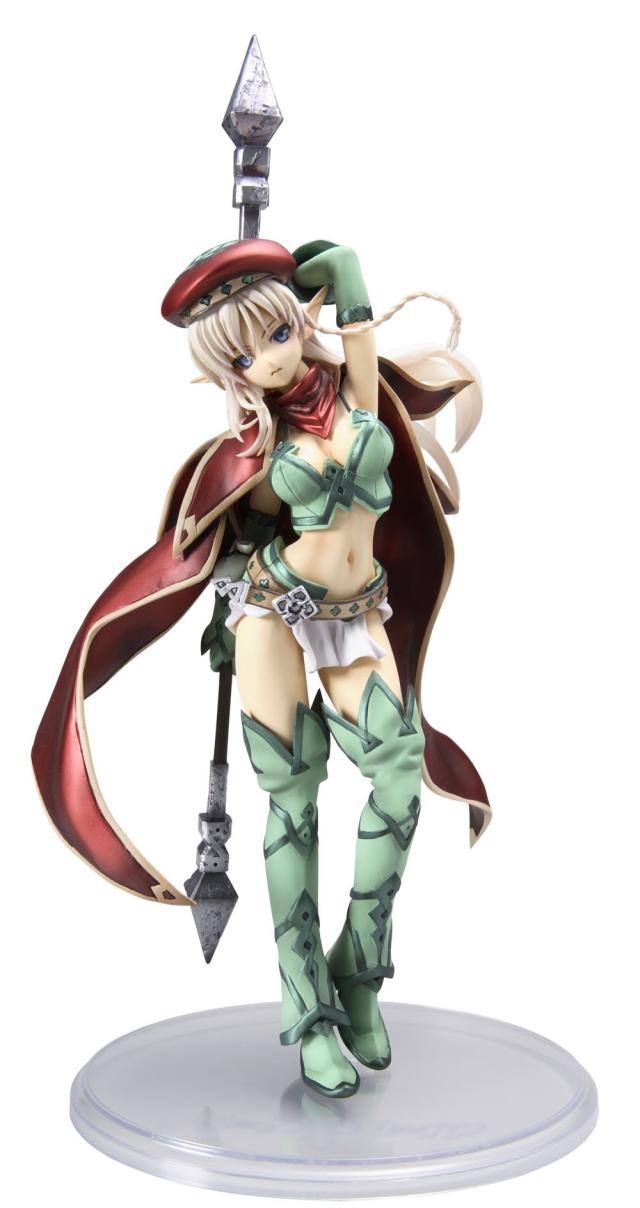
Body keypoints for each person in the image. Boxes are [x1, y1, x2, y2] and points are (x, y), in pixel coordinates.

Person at [32, 237, 491, 1100]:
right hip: (275, 617)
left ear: (297, 322)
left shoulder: (356, 392)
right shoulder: (251, 448)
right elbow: (210, 531)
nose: (270, 362)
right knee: (293, 805)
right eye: (243, 358)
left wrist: (344, 276)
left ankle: (360, 971)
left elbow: (351, 301)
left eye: (276, 334)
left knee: (398, 780)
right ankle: (308, 1012)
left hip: (357, 615)